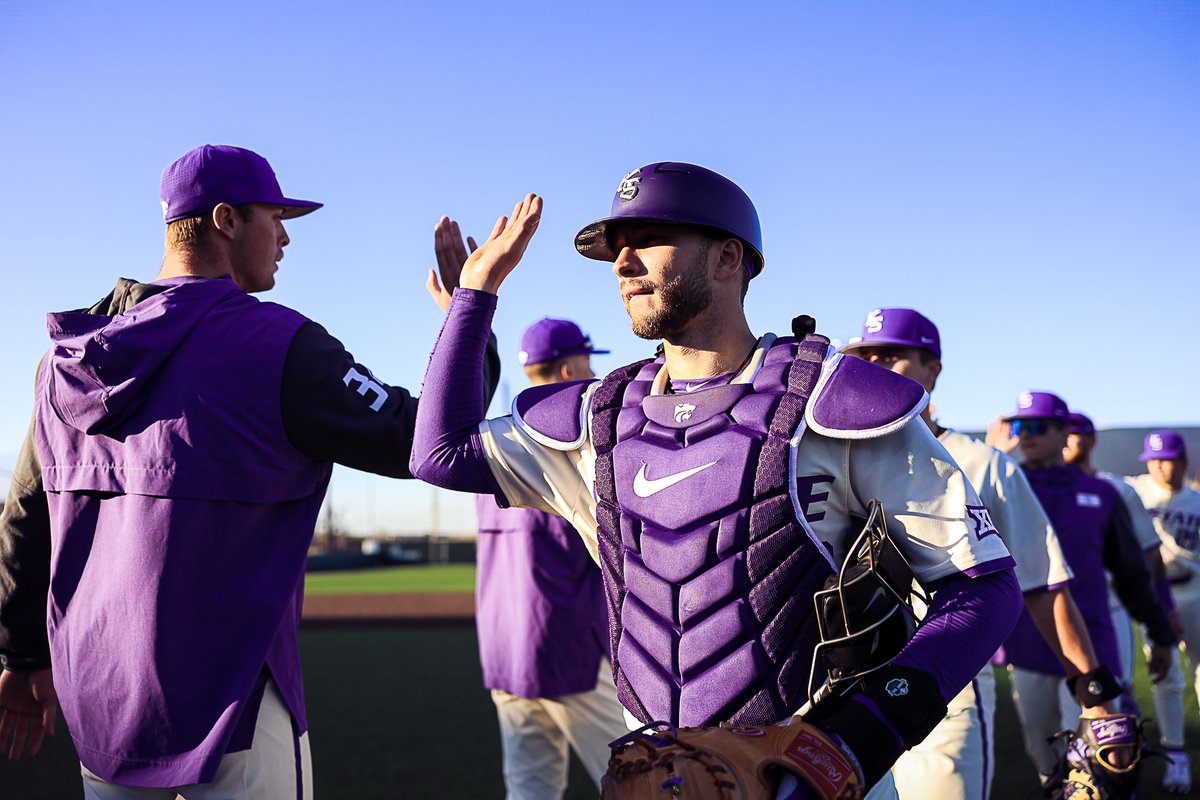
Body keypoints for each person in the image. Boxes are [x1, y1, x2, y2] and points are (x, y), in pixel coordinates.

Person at [408, 163, 1023, 799]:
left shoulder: (832, 402)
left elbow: (983, 586)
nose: (623, 263)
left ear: (728, 257)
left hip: (812, 776)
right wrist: (473, 299)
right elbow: (439, 454)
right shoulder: (598, 421)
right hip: (658, 776)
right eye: (616, 249)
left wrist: (858, 739)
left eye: (648, 238)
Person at [0, 145, 498, 798]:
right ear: (227, 220)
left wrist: (21, 655)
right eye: (275, 217)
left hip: (98, 697)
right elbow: (422, 440)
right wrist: (472, 314)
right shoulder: (279, 345)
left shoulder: (63, 362)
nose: (286, 236)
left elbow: (23, 517)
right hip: (232, 700)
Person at [842, 309, 1120, 800]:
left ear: (934, 370)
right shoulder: (827, 449)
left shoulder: (984, 465)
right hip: (837, 691)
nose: (877, 368)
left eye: (892, 356)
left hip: (945, 681)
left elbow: (1042, 582)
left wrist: (1092, 691)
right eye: (866, 357)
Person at [473, 316, 626, 798]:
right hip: (569, 653)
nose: (590, 370)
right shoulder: (578, 443)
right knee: (647, 779)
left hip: (504, 655)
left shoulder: (494, 444)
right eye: (585, 360)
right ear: (566, 372)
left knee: (529, 791)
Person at [996, 392, 1175, 790]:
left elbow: (1132, 574)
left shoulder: (1104, 494)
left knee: (1107, 756)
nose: (1026, 435)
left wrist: (1160, 635)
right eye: (1019, 426)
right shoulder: (1002, 488)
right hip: (1028, 646)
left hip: (1094, 643)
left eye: (1038, 427)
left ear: (1064, 433)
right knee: (1044, 756)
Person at [1062, 414, 1175, 712]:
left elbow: (1150, 556)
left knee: (1115, 697)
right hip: (1055, 610)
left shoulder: (1118, 489)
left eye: (1074, 433)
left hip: (1110, 608)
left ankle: (1129, 754)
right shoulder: (1039, 491)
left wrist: (1165, 609)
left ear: (1091, 439)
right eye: (1063, 432)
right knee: (1059, 713)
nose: (1066, 440)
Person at [1124, 430, 1200, 794]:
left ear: (1184, 461)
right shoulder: (1136, 491)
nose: (1157, 465)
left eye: (1165, 458)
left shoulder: (1196, 501)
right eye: (1152, 459)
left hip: (1196, 593)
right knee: (1166, 677)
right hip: (1156, 598)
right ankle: (1176, 755)